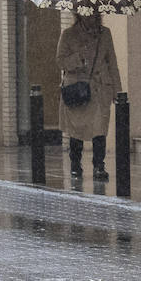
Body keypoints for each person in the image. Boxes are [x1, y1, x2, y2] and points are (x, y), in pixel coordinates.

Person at [57, 11, 122, 180]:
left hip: (100, 88)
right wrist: (79, 57)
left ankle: (99, 165)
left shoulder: (105, 33)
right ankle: (75, 165)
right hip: (78, 88)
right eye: (86, 13)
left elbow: (112, 62)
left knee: (100, 127)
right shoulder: (68, 34)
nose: (90, 16)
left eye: (93, 12)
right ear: (79, 14)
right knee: (76, 129)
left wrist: (117, 91)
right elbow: (61, 61)